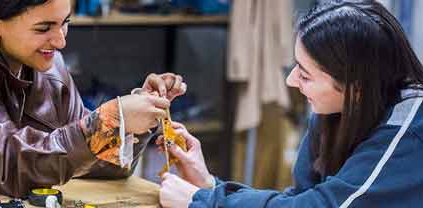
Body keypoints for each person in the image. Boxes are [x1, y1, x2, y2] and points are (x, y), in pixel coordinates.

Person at [0, 0, 186, 197]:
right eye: (44, 28)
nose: (60, 40)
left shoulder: (50, 64)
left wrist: (134, 120)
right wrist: (105, 121)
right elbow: (13, 166)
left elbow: (91, 165)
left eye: (64, 22)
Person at [158, 0, 423, 207]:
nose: (291, 81)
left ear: (356, 87)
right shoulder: (334, 108)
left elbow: (321, 206)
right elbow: (301, 199)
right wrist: (209, 186)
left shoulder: (409, 130)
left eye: (305, 74)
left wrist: (203, 201)